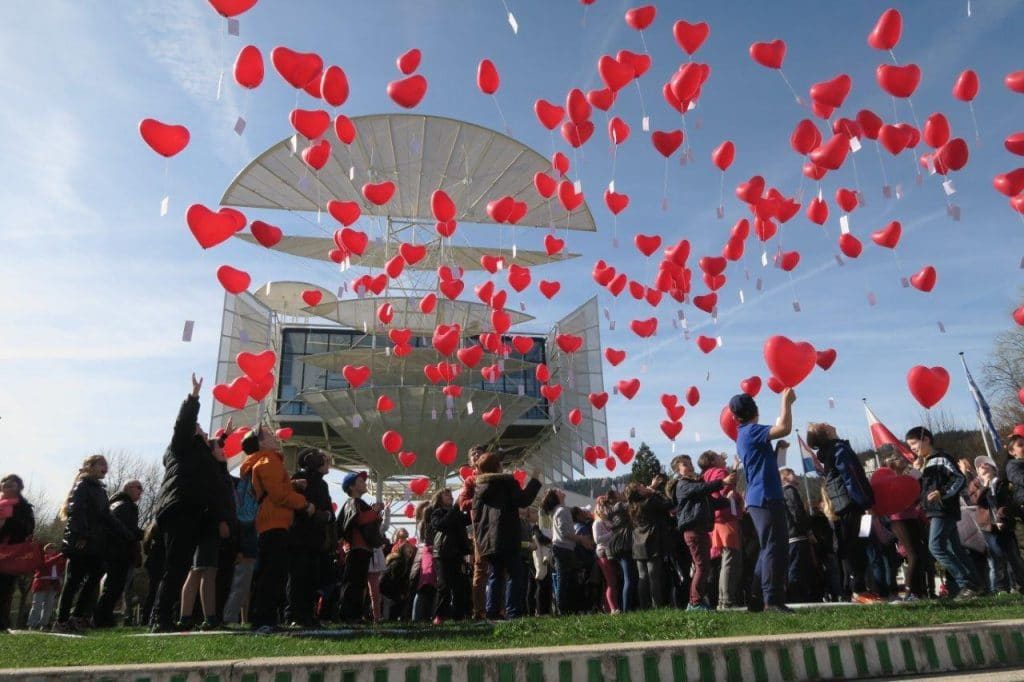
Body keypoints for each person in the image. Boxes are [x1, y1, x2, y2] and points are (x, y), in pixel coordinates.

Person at [150, 375, 215, 632]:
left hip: (191, 509)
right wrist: (194, 398)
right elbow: (183, 424)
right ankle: (160, 618)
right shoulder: (181, 446)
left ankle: (164, 616)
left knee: (179, 567)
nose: (203, 430)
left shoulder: (198, 453)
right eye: (199, 428)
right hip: (180, 508)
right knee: (175, 567)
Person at [240, 425, 314, 633]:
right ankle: (265, 619)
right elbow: (278, 495)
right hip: (275, 523)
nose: (275, 436)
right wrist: (304, 503)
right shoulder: (269, 460)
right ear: (262, 442)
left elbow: (274, 489)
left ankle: (263, 618)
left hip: (268, 522)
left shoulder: (260, 462)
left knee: (269, 573)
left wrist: (291, 485)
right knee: (273, 574)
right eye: (270, 435)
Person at [729, 389, 795, 613]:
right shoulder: (751, 431)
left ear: (734, 416)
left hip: (759, 496)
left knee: (768, 547)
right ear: (755, 411)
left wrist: (776, 451)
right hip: (766, 496)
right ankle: (773, 600)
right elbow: (784, 428)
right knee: (774, 547)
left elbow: (763, 464)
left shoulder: (744, 434)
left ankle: (757, 599)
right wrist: (786, 402)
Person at [54, 455, 133, 633]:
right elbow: (77, 510)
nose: (105, 467)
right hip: (81, 541)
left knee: (95, 575)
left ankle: (77, 616)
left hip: (95, 542)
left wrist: (126, 533)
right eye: (101, 463)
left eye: (106, 464)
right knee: (73, 581)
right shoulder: (83, 485)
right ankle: (61, 620)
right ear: (90, 466)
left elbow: (106, 515)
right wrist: (81, 535)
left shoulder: (100, 490)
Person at [807, 422, 880, 603]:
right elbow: (852, 476)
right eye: (824, 425)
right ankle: (858, 590)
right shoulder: (839, 450)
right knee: (857, 546)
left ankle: (854, 589)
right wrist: (866, 502)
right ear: (827, 432)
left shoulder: (832, 451)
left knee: (852, 545)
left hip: (843, 505)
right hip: (852, 503)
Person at [906, 426, 980, 600]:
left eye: (914, 443)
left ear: (926, 439)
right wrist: (917, 472)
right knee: (955, 548)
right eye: (909, 445)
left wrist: (943, 493)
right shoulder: (924, 463)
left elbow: (959, 478)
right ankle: (976, 584)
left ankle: (966, 584)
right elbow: (920, 488)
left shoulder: (942, 458)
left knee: (935, 546)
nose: (912, 448)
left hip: (943, 509)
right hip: (932, 511)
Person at [179, 427, 237, 631]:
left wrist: (224, 436)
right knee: (206, 571)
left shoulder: (216, 470)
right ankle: (209, 617)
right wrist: (221, 520)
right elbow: (215, 499)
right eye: (221, 449)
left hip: (206, 523)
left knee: (197, 571)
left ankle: (188, 616)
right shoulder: (211, 471)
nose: (225, 452)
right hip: (209, 524)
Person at [472, 453, 542, 619]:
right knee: (515, 574)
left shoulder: (479, 488)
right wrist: (535, 479)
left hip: (488, 539)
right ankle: (513, 611)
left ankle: (492, 611)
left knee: (495, 575)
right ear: (498, 467)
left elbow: (476, 515)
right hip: (507, 535)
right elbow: (523, 500)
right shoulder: (506, 482)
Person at [674, 454, 736, 611]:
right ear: (678, 471)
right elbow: (701, 489)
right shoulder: (683, 484)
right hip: (693, 530)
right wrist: (722, 482)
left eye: (690, 463)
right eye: (685, 465)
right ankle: (695, 602)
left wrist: (728, 500)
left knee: (704, 567)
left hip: (701, 530)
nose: (690, 466)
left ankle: (698, 600)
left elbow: (712, 502)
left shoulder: (696, 486)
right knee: (702, 566)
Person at [287, 449, 334, 628]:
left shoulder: (322, 485)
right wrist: (309, 509)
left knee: (312, 578)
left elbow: (329, 512)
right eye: (323, 458)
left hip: (316, 538)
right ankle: (294, 614)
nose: (326, 461)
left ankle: (308, 614)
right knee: (298, 576)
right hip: (299, 536)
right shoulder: (298, 478)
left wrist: (322, 515)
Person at [336, 471, 386, 623]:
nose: (364, 483)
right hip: (357, 547)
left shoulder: (358, 503)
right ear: (351, 486)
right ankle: (349, 614)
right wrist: (375, 512)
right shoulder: (354, 502)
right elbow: (359, 519)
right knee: (354, 583)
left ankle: (355, 614)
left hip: (362, 548)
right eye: (360, 481)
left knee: (359, 583)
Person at [93, 480, 144, 627]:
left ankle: (103, 616)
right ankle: (102, 618)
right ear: (128, 488)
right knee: (114, 586)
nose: (141, 491)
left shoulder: (115, 504)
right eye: (139, 488)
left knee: (113, 586)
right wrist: (143, 534)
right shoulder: (126, 506)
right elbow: (126, 529)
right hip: (119, 552)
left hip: (113, 551)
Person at [972, 455, 1024, 593]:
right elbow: (975, 500)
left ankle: (1019, 585)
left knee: (1014, 556)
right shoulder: (975, 485)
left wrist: (1001, 518)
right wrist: (985, 485)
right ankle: (1001, 588)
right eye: (979, 466)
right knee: (997, 557)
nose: (983, 467)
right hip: (988, 526)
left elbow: (1008, 502)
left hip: (1005, 524)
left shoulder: (1003, 484)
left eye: (986, 464)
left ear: (994, 469)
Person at [700, 452, 744, 609]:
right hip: (726, 518)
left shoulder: (705, 475)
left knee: (725, 560)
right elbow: (727, 490)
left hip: (715, 521)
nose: (722, 458)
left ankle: (722, 601)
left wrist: (734, 468)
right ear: (712, 461)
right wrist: (736, 496)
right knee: (731, 560)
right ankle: (727, 601)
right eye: (719, 456)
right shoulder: (720, 472)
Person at [542, 488, 594, 614]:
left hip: (562, 549)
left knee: (565, 579)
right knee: (564, 579)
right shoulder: (562, 510)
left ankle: (566, 608)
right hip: (563, 549)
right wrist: (581, 539)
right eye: (557, 491)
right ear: (556, 496)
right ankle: (563, 609)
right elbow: (565, 533)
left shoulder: (558, 510)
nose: (560, 490)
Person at [884, 455, 928, 600]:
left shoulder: (907, 478)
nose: (902, 460)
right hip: (900, 519)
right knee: (913, 555)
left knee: (919, 554)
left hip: (912, 517)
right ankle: (909, 592)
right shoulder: (891, 482)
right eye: (897, 459)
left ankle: (919, 591)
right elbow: (904, 498)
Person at [624, 480, 673, 609]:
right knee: (654, 576)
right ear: (638, 491)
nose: (644, 486)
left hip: (638, 544)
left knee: (642, 577)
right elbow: (668, 503)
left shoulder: (632, 506)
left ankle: (644, 605)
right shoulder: (650, 502)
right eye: (641, 486)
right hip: (651, 542)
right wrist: (654, 491)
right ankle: (657, 605)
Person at [430, 488, 471, 623]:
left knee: (459, 586)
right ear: (439, 498)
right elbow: (442, 525)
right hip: (442, 553)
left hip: (457, 554)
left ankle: (458, 616)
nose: (450, 496)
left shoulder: (457, 513)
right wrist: (455, 508)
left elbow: (469, 519)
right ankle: (439, 615)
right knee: (444, 586)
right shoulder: (437, 512)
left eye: (450, 494)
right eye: (446, 494)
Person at [0, 474, 35, 632]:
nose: (7, 487)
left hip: (11, 553)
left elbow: (27, 528)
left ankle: (2, 622)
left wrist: (8, 522)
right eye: (5, 484)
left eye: (11, 485)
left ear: (19, 487)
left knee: (6, 588)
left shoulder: (24, 507)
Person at [779, 468, 814, 603]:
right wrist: (807, 529)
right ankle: (797, 596)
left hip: (791, 535)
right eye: (791, 473)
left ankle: (796, 595)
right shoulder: (790, 491)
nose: (795, 475)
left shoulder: (784, 493)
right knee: (797, 567)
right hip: (797, 535)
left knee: (795, 567)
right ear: (785, 478)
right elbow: (796, 512)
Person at [605, 489, 637, 612]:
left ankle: (627, 607)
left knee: (626, 578)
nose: (621, 493)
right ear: (614, 497)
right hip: (622, 545)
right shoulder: (618, 506)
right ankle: (626, 609)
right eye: (618, 493)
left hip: (617, 545)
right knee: (629, 578)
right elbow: (632, 503)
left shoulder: (611, 510)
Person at [591, 496, 620, 614]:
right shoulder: (597, 523)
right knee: (611, 582)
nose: (606, 509)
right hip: (603, 553)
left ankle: (611, 607)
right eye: (603, 506)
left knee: (613, 582)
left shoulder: (609, 521)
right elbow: (597, 539)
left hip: (612, 552)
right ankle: (612, 608)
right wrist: (612, 534)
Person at [27, 544, 64, 630]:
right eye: (49, 548)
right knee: (37, 605)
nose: (52, 549)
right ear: (45, 550)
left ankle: (44, 624)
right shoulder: (41, 558)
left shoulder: (59, 560)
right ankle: (32, 624)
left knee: (49, 606)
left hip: (53, 584)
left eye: (53, 548)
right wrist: (60, 556)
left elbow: (62, 568)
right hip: (41, 583)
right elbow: (47, 564)